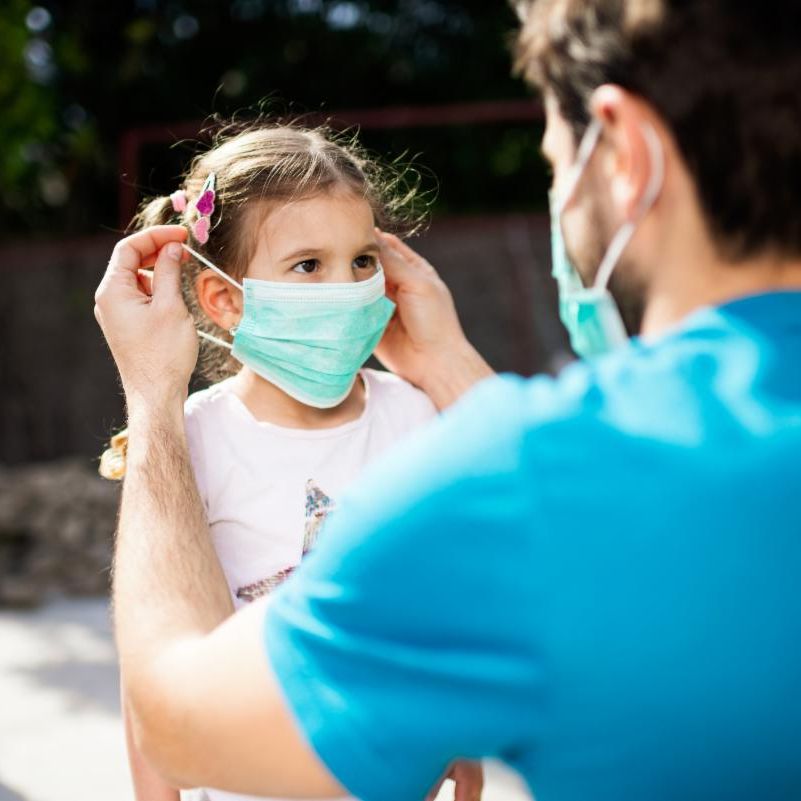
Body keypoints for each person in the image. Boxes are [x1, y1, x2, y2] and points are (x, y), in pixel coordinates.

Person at [94, 1, 801, 800]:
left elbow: (176, 715)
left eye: (553, 161)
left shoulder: (517, 474)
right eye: (308, 265)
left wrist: (150, 394)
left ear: (624, 154)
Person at [97, 123, 483, 801]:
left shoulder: (417, 414)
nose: (348, 287)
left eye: (362, 260)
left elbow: (450, 603)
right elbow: (150, 660)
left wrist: (459, 737)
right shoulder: (187, 443)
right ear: (225, 299)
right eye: (308, 265)